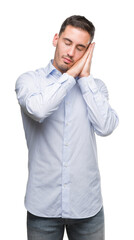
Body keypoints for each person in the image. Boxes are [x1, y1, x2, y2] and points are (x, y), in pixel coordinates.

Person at [15, 15, 119, 240]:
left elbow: (106, 126)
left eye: (80, 48)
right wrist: (72, 75)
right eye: (67, 42)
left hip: (87, 207)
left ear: (88, 52)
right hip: (43, 207)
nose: (71, 53)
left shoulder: (95, 87)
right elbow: (39, 110)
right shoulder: (29, 81)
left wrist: (85, 78)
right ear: (56, 39)